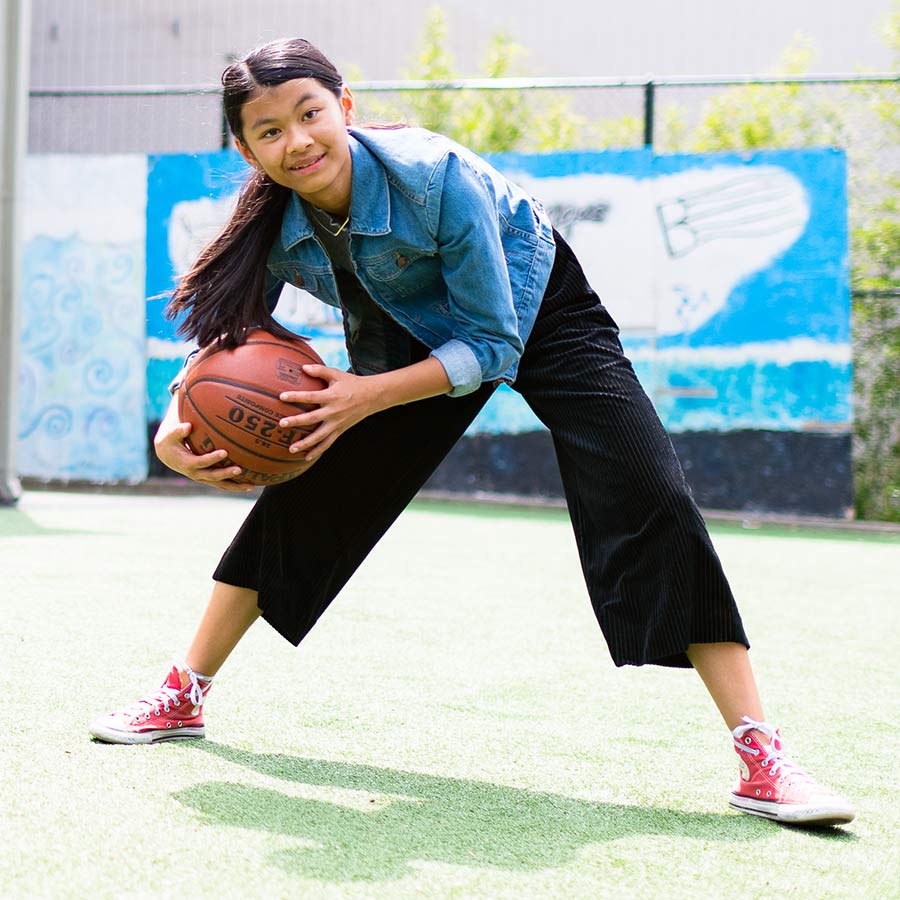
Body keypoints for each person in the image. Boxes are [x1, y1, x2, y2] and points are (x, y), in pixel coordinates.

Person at [89, 38, 854, 827]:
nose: (298, 140)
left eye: (310, 113)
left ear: (345, 108)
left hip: (537, 310)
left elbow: (492, 344)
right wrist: (181, 415)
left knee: (648, 491)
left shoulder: (432, 178)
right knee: (319, 483)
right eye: (270, 131)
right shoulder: (274, 224)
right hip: (409, 336)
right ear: (247, 148)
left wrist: (366, 396)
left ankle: (762, 755)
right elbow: (227, 332)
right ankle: (185, 691)